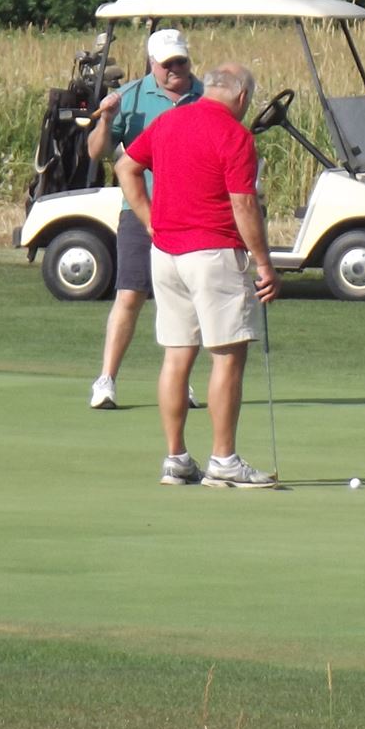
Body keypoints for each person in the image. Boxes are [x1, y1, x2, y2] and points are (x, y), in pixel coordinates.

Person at [116, 63, 282, 489]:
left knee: (177, 355)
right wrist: (264, 262)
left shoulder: (169, 121)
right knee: (227, 354)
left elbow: (125, 168)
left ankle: (176, 459)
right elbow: (243, 204)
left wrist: (150, 220)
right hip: (213, 254)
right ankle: (223, 460)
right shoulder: (235, 135)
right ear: (243, 98)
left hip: (167, 254)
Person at [84, 27, 201, 412]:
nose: (174, 70)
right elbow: (96, 153)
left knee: (187, 301)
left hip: (190, 210)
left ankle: (179, 381)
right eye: (167, 64)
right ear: (152, 64)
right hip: (140, 208)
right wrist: (106, 119)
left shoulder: (204, 96)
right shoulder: (132, 96)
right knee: (131, 293)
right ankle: (106, 379)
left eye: (180, 62)